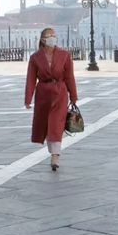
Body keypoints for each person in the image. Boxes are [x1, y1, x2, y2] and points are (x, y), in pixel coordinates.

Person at [25, 27, 78, 171]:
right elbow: (31, 79)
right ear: (43, 39)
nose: (52, 38)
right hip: (43, 94)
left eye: (54, 35)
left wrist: (73, 95)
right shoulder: (35, 58)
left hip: (60, 93)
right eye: (49, 36)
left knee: (56, 124)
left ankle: (55, 155)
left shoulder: (64, 55)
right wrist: (28, 99)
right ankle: (53, 151)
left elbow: (69, 77)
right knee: (47, 126)